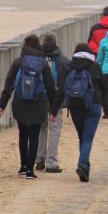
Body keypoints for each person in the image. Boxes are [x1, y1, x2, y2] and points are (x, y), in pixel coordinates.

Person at [0, 34, 57, 180]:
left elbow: (9, 84)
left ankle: (23, 166)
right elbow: (50, 86)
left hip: (20, 103)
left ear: (25, 46)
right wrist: (54, 108)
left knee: (22, 134)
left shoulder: (18, 62)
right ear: (38, 46)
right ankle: (31, 170)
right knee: (34, 135)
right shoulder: (43, 64)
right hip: (38, 104)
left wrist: (2, 104)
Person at [52, 43, 105, 182]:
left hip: (75, 106)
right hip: (93, 105)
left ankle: (85, 167)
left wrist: (54, 109)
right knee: (88, 138)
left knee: (82, 137)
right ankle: (82, 164)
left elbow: (62, 90)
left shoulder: (70, 66)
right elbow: (104, 87)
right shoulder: (95, 67)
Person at [35, 32, 69, 173]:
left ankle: (39, 160)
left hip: (40, 99)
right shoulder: (63, 60)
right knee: (54, 130)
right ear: (56, 42)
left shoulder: (37, 58)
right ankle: (51, 162)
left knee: (41, 129)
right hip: (56, 100)